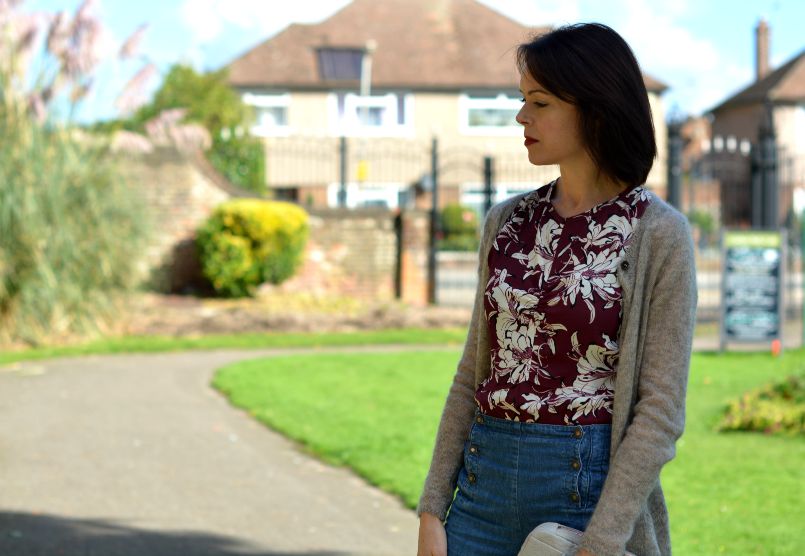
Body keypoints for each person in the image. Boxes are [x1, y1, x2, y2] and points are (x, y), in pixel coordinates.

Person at [416, 23, 697, 556]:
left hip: (583, 505)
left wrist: (600, 542)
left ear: (594, 108)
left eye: (539, 102)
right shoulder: (506, 222)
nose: (522, 117)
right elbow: (472, 375)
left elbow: (659, 412)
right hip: (479, 494)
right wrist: (433, 510)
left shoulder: (658, 234)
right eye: (523, 100)